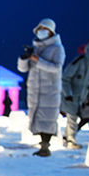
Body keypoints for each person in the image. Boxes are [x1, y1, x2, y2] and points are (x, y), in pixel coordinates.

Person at [18, 18, 65, 157]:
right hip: (34, 89)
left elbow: (56, 67)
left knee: (48, 117)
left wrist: (38, 61)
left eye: (44, 30)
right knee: (37, 117)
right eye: (39, 30)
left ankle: (46, 146)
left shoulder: (57, 48)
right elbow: (22, 69)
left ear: (51, 31)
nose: (41, 32)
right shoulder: (36, 48)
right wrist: (24, 58)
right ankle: (42, 145)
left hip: (50, 89)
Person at [61, 40, 89, 148]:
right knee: (72, 118)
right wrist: (68, 94)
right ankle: (70, 140)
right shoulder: (79, 62)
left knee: (73, 119)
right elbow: (65, 79)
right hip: (70, 96)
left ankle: (67, 138)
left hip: (80, 97)